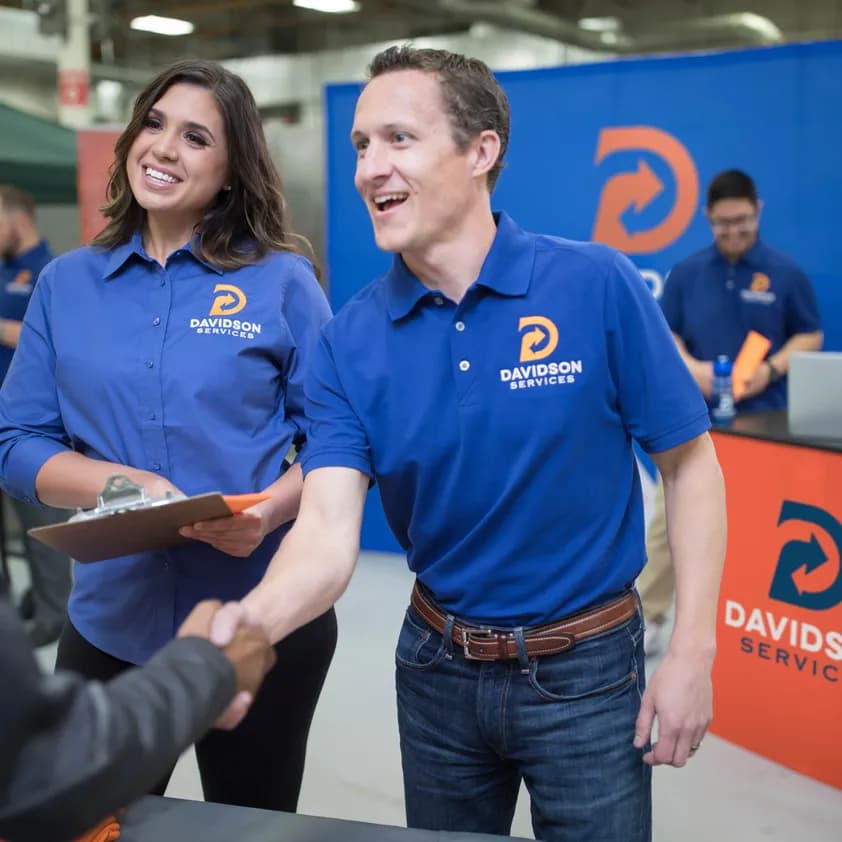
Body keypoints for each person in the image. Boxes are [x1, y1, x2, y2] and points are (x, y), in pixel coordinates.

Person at [206, 46, 727, 842]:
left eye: (398, 140)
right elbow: (323, 531)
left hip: (586, 669)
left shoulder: (595, 285)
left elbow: (691, 465)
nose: (369, 169)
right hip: (435, 669)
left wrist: (692, 650)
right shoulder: (348, 343)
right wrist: (241, 629)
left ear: (481, 151)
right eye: (360, 146)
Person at [0, 60, 336, 812]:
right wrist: (129, 488)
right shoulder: (66, 285)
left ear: (230, 170)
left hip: (258, 615)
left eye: (195, 137)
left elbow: (341, 442)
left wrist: (270, 513)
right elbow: (15, 440)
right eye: (153, 124)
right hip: (110, 618)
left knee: (250, 823)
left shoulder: (282, 283)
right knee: (86, 822)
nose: (163, 147)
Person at [639, 169, 822, 654]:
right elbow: (666, 334)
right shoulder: (686, 273)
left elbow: (810, 334)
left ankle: (751, 621)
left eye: (741, 220)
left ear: (757, 210)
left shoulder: (786, 274)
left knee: (764, 528)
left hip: (766, 424)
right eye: (723, 223)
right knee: (666, 525)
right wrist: (691, 367)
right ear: (708, 218)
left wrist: (771, 368)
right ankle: (652, 615)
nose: (733, 231)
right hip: (692, 422)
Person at [0, 593, 275, 842]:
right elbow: (39, 764)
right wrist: (208, 668)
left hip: (258, 623)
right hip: (113, 615)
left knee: (257, 816)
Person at [0, 184, 71, 647]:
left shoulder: (52, 272)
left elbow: (58, 341)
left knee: (41, 529)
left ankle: (53, 615)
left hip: (33, 427)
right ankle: (12, 616)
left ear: (19, 218)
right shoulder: (4, 271)